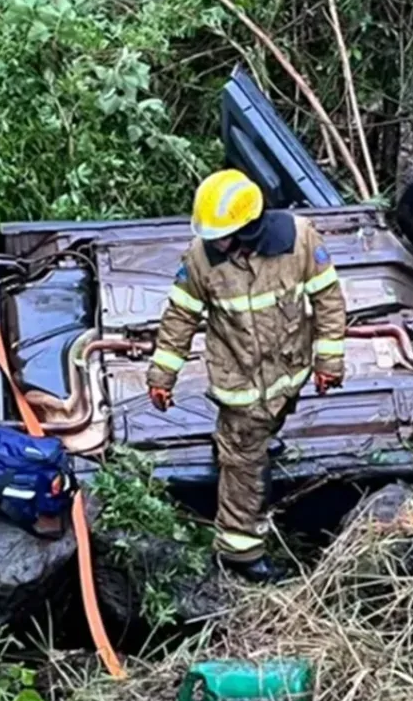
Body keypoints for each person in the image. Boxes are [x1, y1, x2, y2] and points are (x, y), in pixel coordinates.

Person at [145, 169, 347, 583]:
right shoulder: (201, 259)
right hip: (238, 385)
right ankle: (240, 551)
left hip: (290, 374)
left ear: (250, 227)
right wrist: (162, 375)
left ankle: (252, 450)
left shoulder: (300, 239)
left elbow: (328, 299)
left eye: (223, 235)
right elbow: (180, 317)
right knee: (242, 465)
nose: (216, 243)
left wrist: (329, 362)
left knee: (258, 440)